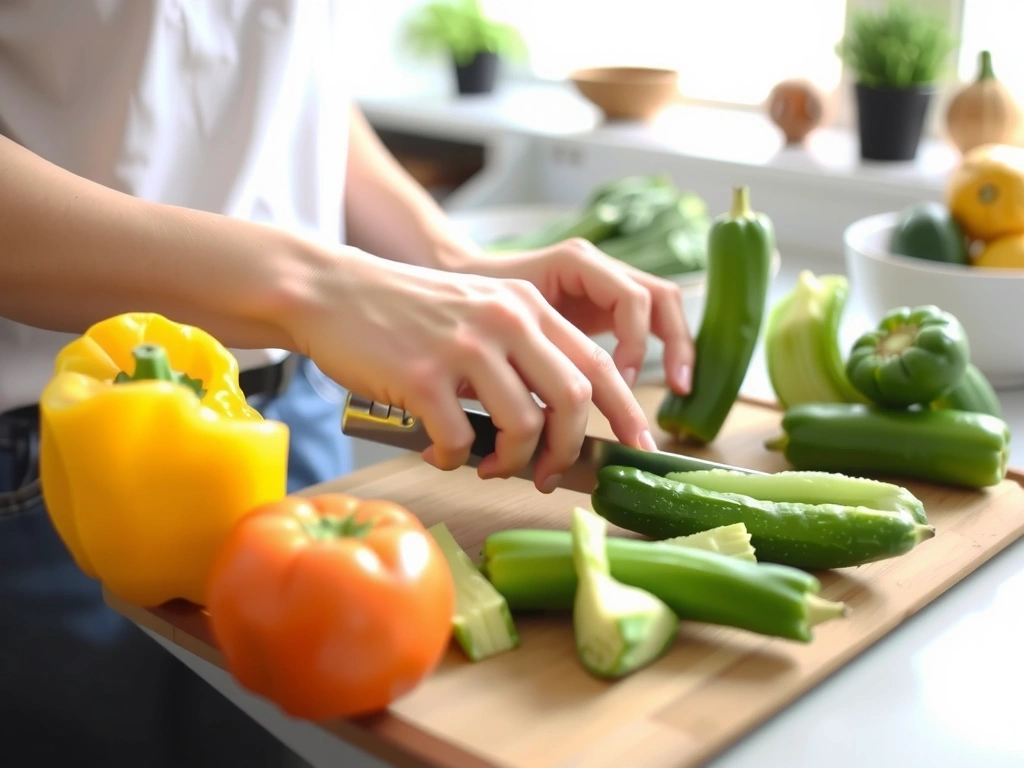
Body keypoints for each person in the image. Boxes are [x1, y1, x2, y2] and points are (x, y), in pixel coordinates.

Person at [0, 1, 695, 766]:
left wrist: (445, 259)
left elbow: (283, 71)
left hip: (289, 421)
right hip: (57, 465)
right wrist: (317, 287)